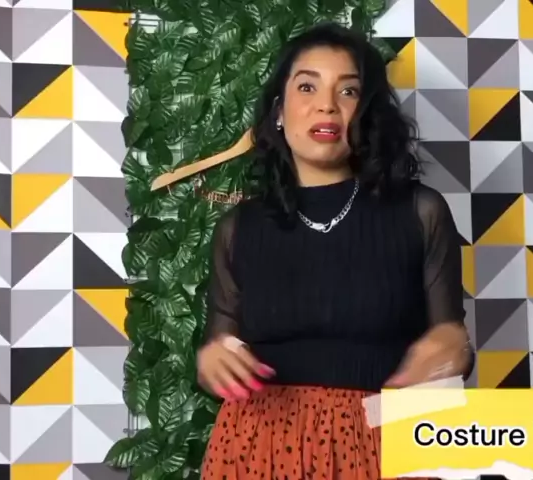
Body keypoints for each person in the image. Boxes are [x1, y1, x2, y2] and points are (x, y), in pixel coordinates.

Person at [196, 22, 474, 480]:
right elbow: (218, 349)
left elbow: (454, 345)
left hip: (387, 441)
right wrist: (213, 360)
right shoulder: (238, 228)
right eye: (307, 86)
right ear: (279, 110)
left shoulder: (421, 212)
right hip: (258, 446)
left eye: (348, 91)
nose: (326, 104)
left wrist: (449, 349)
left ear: (366, 114)